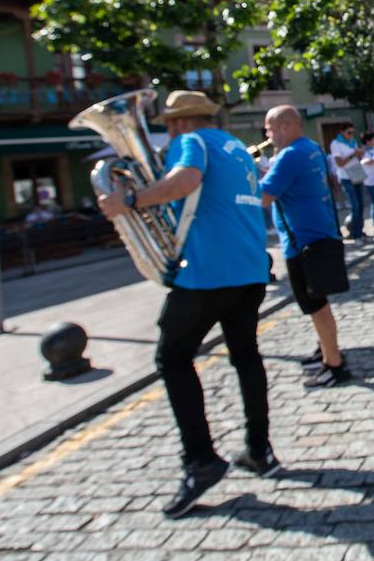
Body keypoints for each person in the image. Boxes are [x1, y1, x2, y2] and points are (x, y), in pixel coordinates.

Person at [98, 90, 274, 518]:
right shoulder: (236, 147)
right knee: (246, 358)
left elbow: (186, 181)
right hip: (250, 267)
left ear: (180, 122)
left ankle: (200, 461)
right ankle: (259, 449)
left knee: (172, 358)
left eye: (168, 123)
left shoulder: (190, 141)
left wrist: (131, 201)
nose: (166, 130)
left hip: (209, 271)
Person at [260, 105, 351, 389]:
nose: (267, 134)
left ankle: (333, 364)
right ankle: (326, 351)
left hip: (301, 240)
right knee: (317, 303)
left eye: (270, 129)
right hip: (316, 232)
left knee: (316, 305)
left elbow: (263, 196)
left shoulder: (289, 155)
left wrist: (251, 173)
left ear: (286, 127)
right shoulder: (310, 147)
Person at [328, 125, 366, 241]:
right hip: (345, 177)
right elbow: (339, 163)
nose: (351, 135)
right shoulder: (336, 144)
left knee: (361, 205)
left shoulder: (353, 142)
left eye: (352, 132)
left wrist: (359, 154)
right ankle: (356, 234)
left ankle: (360, 231)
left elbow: (355, 157)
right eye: (349, 133)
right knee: (354, 205)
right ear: (342, 132)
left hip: (356, 174)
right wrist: (353, 155)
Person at [358, 131, 374, 238]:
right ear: (368, 141)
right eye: (373, 139)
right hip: (371, 182)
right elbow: (365, 162)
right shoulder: (363, 151)